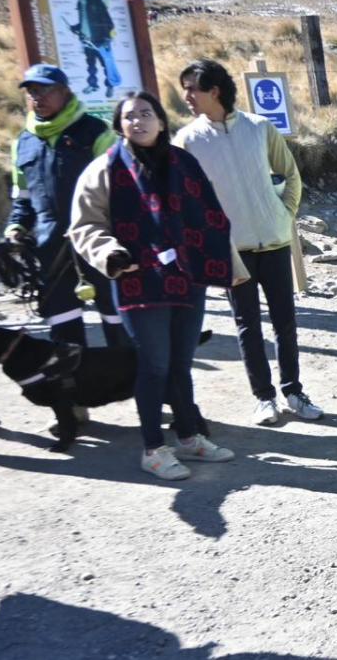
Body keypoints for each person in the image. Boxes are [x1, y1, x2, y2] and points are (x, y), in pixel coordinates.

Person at [69, 92, 240, 480]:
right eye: (130, 116)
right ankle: (152, 448)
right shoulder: (104, 170)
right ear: (119, 126)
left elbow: (211, 216)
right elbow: (84, 225)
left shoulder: (185, 163)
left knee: (180, 364)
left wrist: (228, 265)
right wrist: (108, 253)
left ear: (162, 121)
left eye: (147, 114)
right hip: (137, 282)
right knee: (154, 365)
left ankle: (188, 438)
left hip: (188, 279)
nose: (138, 121)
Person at [173, 59, 322, 426]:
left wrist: (283, 215)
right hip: (231, 250)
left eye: (192, 88)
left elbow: (290, 174)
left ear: (215, 91)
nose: (187, 96)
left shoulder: (259, 127)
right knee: (247, 325)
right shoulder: (187, 140)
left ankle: (293, 392)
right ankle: (264, 398)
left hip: (273, 242)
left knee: (284, 322)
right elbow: (184, 197)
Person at [7, 64, 127, 354]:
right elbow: (22, 194)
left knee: (119, 324)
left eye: (45, 90)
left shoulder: (96, 132)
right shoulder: (22, 142)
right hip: (50, 248)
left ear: (65, 91)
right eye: (32, 92)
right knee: (64, 332)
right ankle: (75, 394)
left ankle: (136, 387)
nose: (37, 97)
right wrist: (16, 226)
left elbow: (122, 191)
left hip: (99, 243)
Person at [70, 0, 121, 98]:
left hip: (99, 39)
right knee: (91, 64)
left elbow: (105, 17)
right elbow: (84, 21)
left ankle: (110, 85)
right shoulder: (80, 3)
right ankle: (92, 85)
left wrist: (108, 36)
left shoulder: (95, 0)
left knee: (105, 63)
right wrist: (75, 28)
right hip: (86, 39)